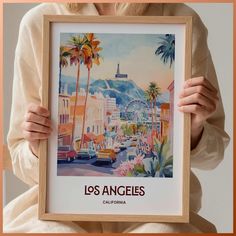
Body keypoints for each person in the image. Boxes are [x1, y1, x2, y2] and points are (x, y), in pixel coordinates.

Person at [4, 2, 230, 233]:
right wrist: (35, 144)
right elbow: (19, 156)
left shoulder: (181, 19)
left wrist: (194, 129)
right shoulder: (39, 22)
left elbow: (213, 156)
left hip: (158, 208)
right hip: (57, 210)